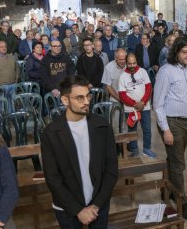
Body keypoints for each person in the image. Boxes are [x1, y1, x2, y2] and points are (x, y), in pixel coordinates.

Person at [41, 76, 118, 228]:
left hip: (99, 204)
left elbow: (111, 170)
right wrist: (78, 210)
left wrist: (96, 205)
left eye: (88, 96)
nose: (87, 102)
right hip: (67, 207)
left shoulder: (102, 126)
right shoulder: (51, 133)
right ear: (65, 100)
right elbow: (53, 178)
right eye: (80, 98)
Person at [153, 37, 187, 221]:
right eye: (184, 52)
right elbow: (158, 104)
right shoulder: (166, 71)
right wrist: (166, 130)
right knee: (179, 163)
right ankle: (182, 202)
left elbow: (186, 97)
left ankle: (169, 190)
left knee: (173, 159)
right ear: (176, 52)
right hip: (172, 123)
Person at [118, 53, 156, 158]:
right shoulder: (123, 76)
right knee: (132, 131)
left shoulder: (143, 72)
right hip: (130, 109)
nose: (132, 65)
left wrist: (143, 102)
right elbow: (122, 95)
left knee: (147, 129)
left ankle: (147, 149)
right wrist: (135, 104)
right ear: (126, 63)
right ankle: (134, 151)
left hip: (145, 107)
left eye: (134, 63)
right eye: (129, 63)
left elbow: (149, 88)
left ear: (136, 62)